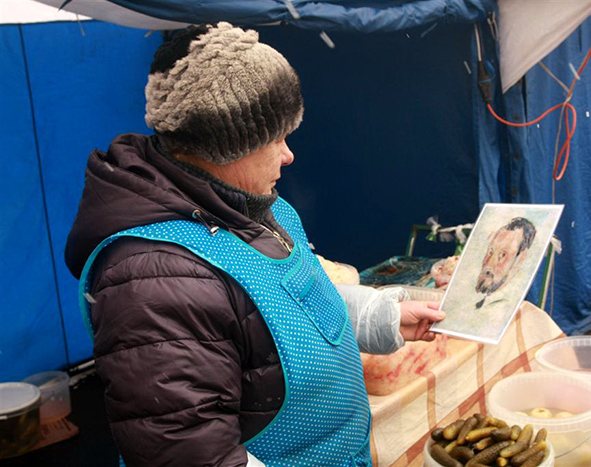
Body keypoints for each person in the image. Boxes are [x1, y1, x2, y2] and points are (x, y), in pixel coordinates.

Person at [64, 23, 445, 467]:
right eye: (276, 139)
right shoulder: (152, 278)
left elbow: (284, 303)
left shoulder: (259, 205)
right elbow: (189, 455)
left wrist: (383, 316)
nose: (289, 155)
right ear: (227, 147)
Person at [474, 217, 536, 309]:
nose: (489, 264)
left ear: (520, 259)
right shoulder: (470, 299)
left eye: (503, 255)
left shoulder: (513, 307)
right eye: (490, 251)